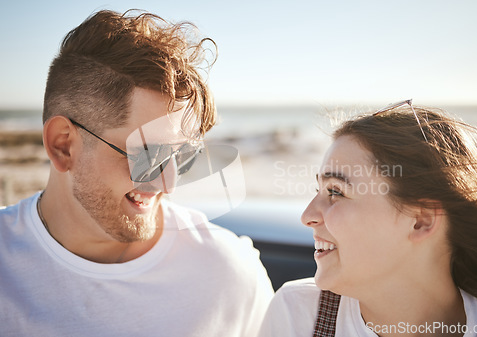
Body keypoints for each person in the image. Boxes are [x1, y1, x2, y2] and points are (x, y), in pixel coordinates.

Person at [0, 10, 273, 336]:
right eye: (150, 154)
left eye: (184, 155)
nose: (169, 184)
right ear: (63, 146)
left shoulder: (229, 275)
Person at [258, 100, 477, 337]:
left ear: (421, 221)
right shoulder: (297, 315)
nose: (307, 216)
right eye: (319, 190)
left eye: (336, 192)